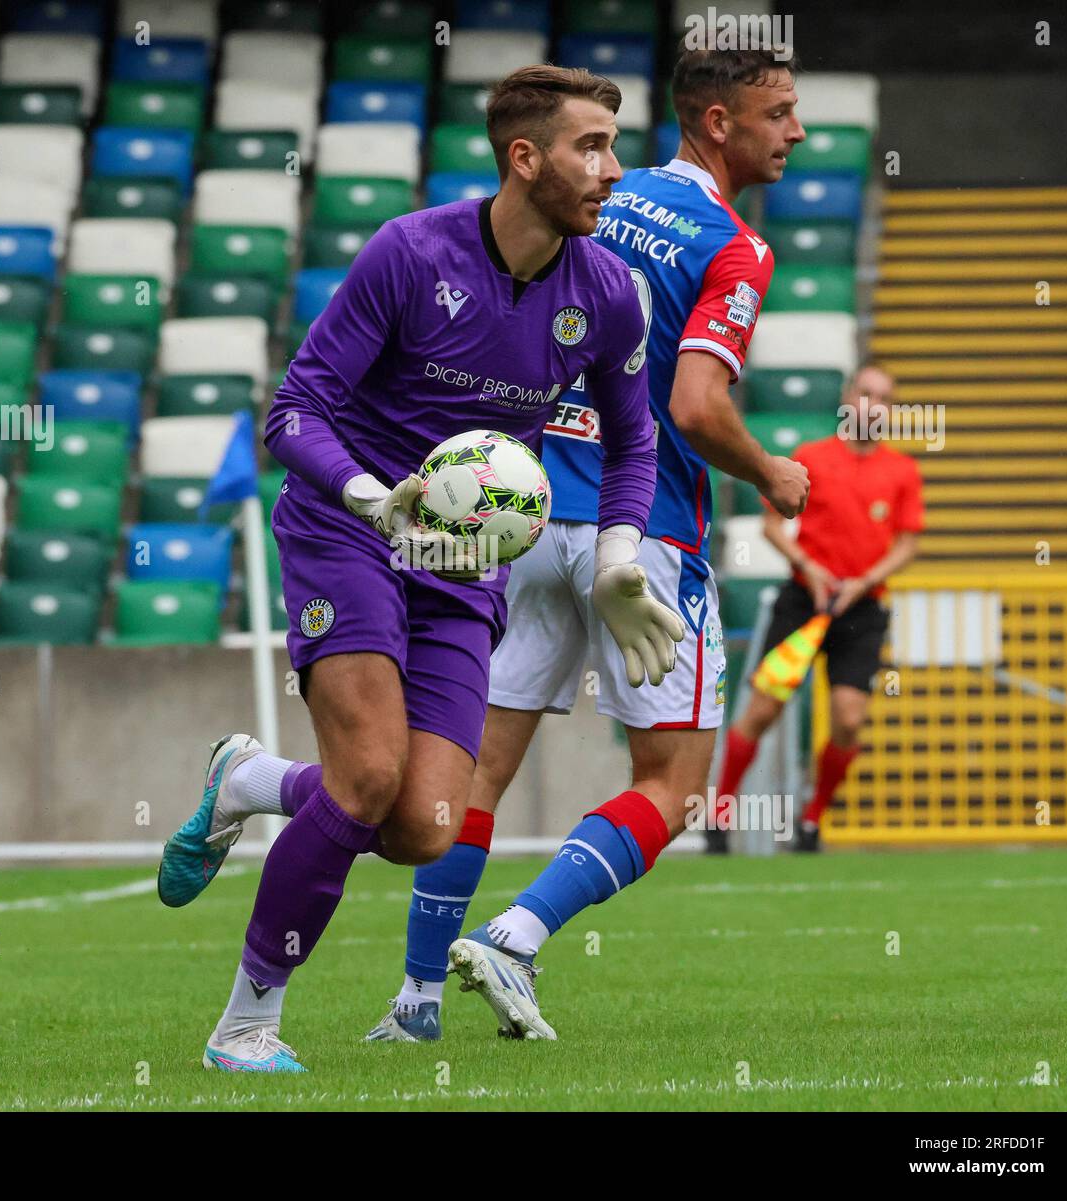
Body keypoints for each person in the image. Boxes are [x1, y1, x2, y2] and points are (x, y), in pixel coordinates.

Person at [156, 65, 685, 1072]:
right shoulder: (411, 252)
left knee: (422, 827)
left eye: (613, 146)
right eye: (590, 147)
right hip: (346, 527)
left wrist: (619, 556)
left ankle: (249, 780)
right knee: (362, 779)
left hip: (463, 565)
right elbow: (294, 409)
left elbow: (633, 443)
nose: (612, 170)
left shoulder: (608, 293)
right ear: (523, 158)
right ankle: (246, 1024)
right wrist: (370, 496)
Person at [359, 45, 811, 1043]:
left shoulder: (595, 189)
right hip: (637, 536)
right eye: (778, 113)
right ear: (719, 123)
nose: (798, 132)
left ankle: (416, 999)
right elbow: (693, 406)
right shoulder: (732, 245)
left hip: (523, 518)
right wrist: (772, 470)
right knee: (671, 785)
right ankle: (517, 934)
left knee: (473, 776)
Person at [712, 363, 923, 853]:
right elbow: (769, 526)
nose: (873, 404)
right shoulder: (811, 458)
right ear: (848, 396)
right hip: (804, 603)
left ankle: (811, 823)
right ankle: (719, 818)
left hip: (863, 607)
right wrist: (811, 569)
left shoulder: (902, 471)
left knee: (849, 720)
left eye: (883, 398)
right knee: (761, 712)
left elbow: (907, 544)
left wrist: (865, 581)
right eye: (866, 393)